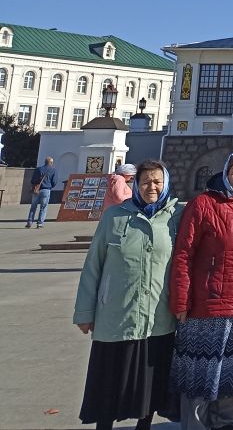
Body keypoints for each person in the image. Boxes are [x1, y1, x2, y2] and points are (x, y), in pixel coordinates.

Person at [73, 159, 181, 430]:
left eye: (157, 182)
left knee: (150, 382)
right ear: (136, 184)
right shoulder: (114, 216)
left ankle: (143, 426)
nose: (151, 187)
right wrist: (85, 312)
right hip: (115, 318)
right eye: (145, 182)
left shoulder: (175, 217)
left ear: (166, 183)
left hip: (157, 316)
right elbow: (93, 266)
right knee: (109, 382)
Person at [170, 151, 233, 430]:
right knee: (201, 374)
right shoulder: (203, 204)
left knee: (232, 374)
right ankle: (197, 425)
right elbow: (184, 254)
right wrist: (181, 300)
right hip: (207, 306)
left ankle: (226, 425)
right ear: (225, 173)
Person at [26, 155, 58, 228]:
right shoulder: (53, 170)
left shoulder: (38, 169)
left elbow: (32, 180)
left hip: (36, 190)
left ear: (45, 162)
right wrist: (49, 186)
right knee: (43, 207)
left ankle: (29, 222)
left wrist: (36, 185)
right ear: (51, 163)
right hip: (46, 190)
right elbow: (54, 181)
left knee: (33, 206)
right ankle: (39, 223)